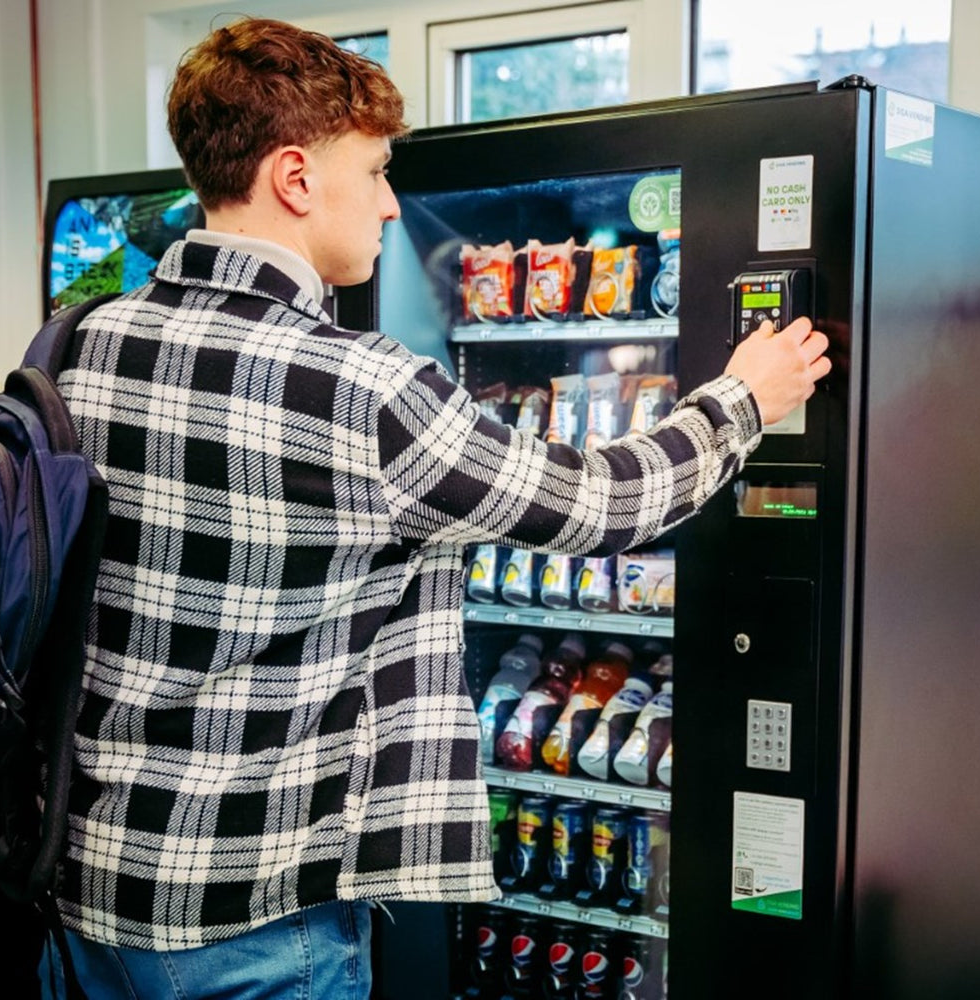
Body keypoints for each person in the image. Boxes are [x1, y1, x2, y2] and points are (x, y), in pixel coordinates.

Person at [42, 16, 830, 999]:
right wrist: (747, 394)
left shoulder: (77, 342)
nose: (388, 206)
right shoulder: (360, 387)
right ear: (295, 178)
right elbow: (599, 502)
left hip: (83, 887)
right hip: (258, 919)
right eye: (372, 172)